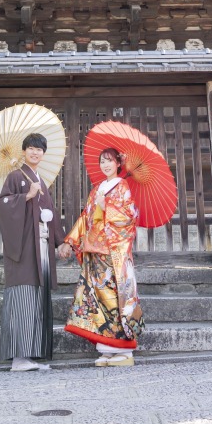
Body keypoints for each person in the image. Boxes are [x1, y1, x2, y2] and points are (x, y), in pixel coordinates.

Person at [62, 146, 145, 367]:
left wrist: (106, 205)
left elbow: (130, 216)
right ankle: (107, 348)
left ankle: (124, 350)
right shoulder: (97, 189)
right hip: (95, 251)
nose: (105, 165)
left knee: (115, 299)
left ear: (118, 164)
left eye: (109, 161)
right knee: (98, 299)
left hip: (112, 253)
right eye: (102, 161)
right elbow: (85, 217)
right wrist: (70, 240)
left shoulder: (123, 186)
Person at [0, 132, 65, 371]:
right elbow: (4, 203)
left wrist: (60, 242)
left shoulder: (40, 180)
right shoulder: (16, 176)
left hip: (42, 247)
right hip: (25, 247)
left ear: (43, 154)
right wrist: (26, 195)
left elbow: (50, 214)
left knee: (37, 297)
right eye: (31, 148)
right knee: (23, 295)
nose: (35, 153)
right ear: (24, 151)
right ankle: (18, 358)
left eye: (39, 149)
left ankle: (30, 355)